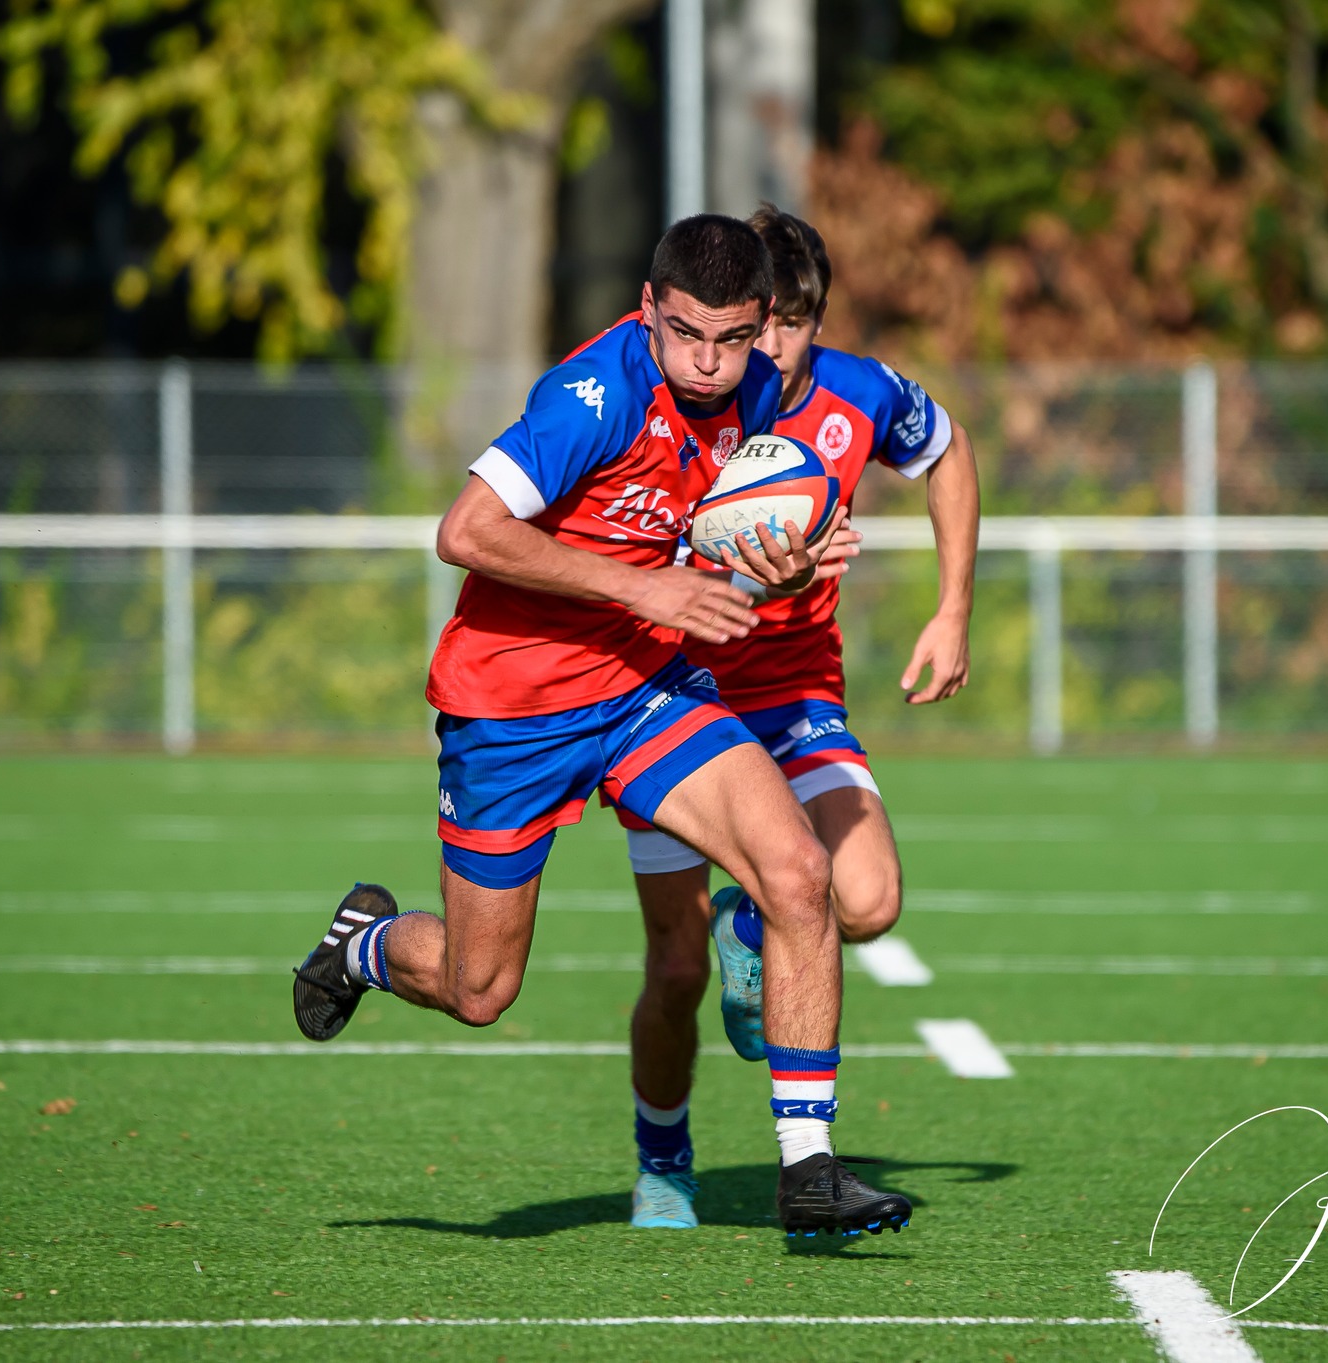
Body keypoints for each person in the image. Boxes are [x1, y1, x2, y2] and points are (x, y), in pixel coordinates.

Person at [290, 214, 912, 1239]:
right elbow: (465, 533)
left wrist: (786, 560)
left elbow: (730, 530)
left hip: (643, 691)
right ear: (646, 312)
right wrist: (648, 589)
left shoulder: (759, 391)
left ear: (764, 326)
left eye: (731, 338)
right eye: (683, 335)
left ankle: (808, 1168)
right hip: (511, 710)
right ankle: (362, 944)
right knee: (477, 987)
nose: (707, 363)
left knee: (797, 874)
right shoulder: (594, 396)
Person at [615, 205, 980, 1228]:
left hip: (793, 698)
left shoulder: (857, 394)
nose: (769, 349)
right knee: (674, 968)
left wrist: (949, 611)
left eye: (792, 322)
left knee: (861, 899)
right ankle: (662, 1152)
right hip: (669, 700)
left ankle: (754, 918)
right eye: (752, 328)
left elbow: (946, 452)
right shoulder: (676, 398)